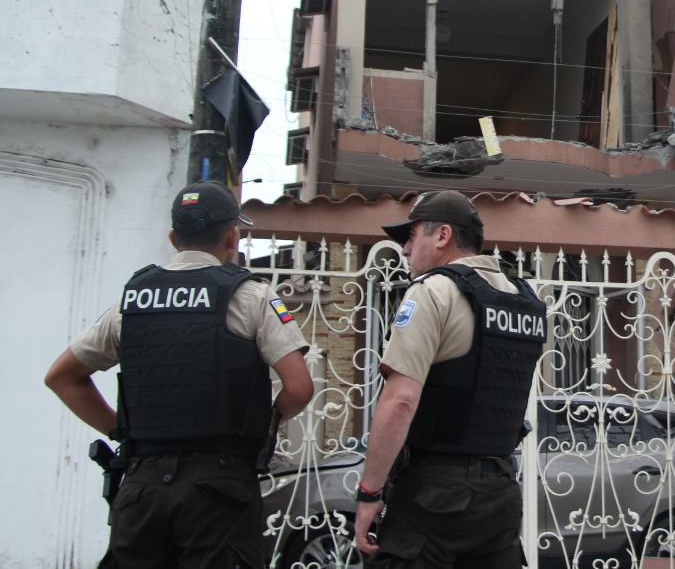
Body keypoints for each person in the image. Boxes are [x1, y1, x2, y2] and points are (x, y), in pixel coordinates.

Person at [44, 181, 314, 569]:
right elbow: (300, 388)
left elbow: (62, 377)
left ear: (174, 238)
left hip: (141, 487)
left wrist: (121, 432)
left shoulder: (133, 298)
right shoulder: (251, 295)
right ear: (233, 236)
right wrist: (267, 422)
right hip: (219, 488)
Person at [353, 190, 546, 569]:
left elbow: (401, 401)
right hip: (500, 493)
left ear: (442, 235)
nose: (406, 250)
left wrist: (369, 492)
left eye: (410, 237)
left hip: (434, 496)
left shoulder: (433, 291)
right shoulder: (525, 300)